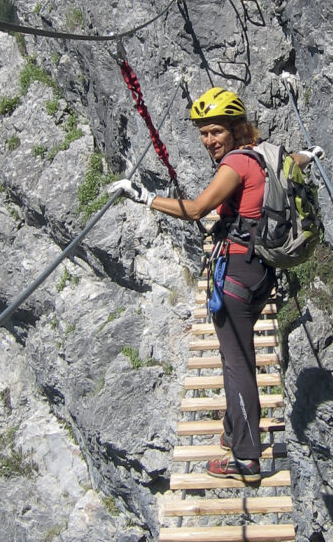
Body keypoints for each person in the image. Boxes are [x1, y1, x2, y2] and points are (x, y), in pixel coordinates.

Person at [108, 87, 320, 482]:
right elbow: (293, 160)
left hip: (236, 275)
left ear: (236, 129)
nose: (209, 141)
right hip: (261, 274)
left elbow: (196, 209)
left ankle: (246, 458)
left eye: (216, 132)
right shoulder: (264, 153)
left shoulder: (235, 165)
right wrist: (311, 155)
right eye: (204, 133)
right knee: (237, 353)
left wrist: (144, 197)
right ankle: (233, 429)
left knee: (236, 362)